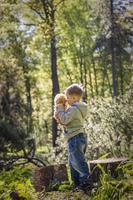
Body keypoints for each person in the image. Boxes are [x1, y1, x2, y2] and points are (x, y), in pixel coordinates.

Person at [54, 83, 92, 191]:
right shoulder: (79, 108)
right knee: (73, 161)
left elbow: (64, 119)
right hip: (79, 137)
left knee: (78, 161)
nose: (66, 100)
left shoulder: (74, 109)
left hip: (75, 138)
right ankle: (77, 183)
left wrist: (60, 108)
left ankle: (86, 182)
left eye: (68, 97)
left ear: (74, 98)